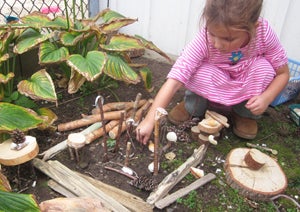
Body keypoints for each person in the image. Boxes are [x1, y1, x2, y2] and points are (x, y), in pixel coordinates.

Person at [136, 0, 290, 145]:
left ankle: (244, 113)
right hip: (213, 78)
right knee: (197, 70)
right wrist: (150, 120)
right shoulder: (204, 40)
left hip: (244, 80)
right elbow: (175, 79)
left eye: (228, 39)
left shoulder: (263, 33)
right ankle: (193, 107)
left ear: (254, 27)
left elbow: (283, 73)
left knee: (264, 68)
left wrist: (266, 98)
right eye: (212, 33)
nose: (217, 44)